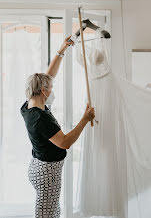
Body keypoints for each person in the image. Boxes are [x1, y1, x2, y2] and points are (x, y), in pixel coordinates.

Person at [20, 36, 95, 218]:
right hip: (47, 173)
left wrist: (61, 51)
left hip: (38, 167)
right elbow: (65, 142)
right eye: (50, 88)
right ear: (43, 91)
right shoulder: (41, 118)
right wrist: (85, 119)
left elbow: (48, 76)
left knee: (52, 211)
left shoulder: (29, 106)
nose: (52, 90)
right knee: (46, 214)